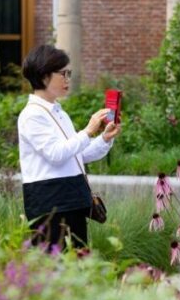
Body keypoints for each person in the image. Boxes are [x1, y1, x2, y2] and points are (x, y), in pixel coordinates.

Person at [18, 44, 120, 251]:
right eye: (63, 73)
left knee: (78, 262)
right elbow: (56, 154)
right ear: (44, 75)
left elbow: (77, 155)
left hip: (71, 198)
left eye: (69, 73)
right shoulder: (31, 115)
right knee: (54, 268)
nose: (67, 79)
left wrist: (104, 138)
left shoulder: (59, 113)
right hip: (49, 202)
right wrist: (88, 131)